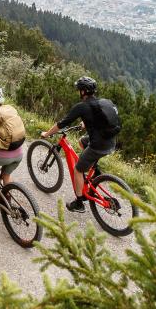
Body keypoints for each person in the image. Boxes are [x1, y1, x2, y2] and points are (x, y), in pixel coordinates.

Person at [41, 76, 119, 213]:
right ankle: (95, 174)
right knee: (82, 141)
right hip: (111, 142)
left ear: (83, 92)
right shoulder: (100, 102)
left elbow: (62, 123)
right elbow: (98, 118)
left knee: (78, 170)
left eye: (79, 90)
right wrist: (85, 122)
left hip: (99, 145)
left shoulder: (81, 107)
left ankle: (79, 203)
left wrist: (47, 134)